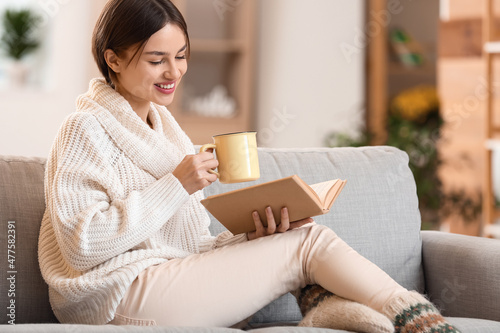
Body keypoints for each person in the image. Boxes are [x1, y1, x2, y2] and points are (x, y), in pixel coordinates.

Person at [38, 0, 459, 332]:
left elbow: (182, 248)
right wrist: (176, 184)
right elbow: (82, 245)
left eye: (181, 56)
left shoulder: (165, 129)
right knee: (307, 245)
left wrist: (244, 240)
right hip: (116, 297)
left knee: (300, 231)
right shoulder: (85, 128)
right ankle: (418, 320)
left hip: (161, 281)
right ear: (113, 59)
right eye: (156, 60)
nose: (174, 72)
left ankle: (320, 303)